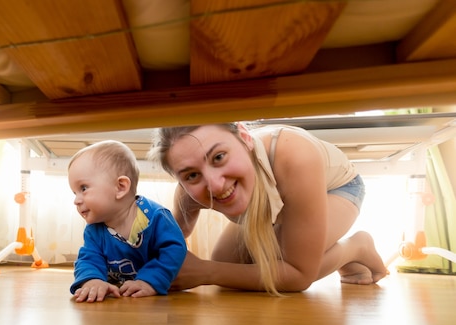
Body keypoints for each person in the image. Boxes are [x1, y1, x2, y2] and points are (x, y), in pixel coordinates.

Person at [147, 122, 388, 295]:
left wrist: (205, 273)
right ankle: (316, 246)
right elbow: (170, 243)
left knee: (290, 264)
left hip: (335, 189)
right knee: (225, 260)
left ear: (244, 137)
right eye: (191, 175)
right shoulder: (191, 192)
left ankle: (356, 247)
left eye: (219, 157)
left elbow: (298, 276)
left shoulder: (294, 156)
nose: (216, 185)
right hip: (276, 209)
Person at [68, 140, 187, 302]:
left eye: (83, 188)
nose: (76, 200)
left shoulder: (156, 217)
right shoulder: (94, 229)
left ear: (120, 187)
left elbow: (174, 249)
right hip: (119, 297)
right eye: (74, 192)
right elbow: (89, 257)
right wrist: (92, 280)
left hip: (149, 306)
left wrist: (150, 281)